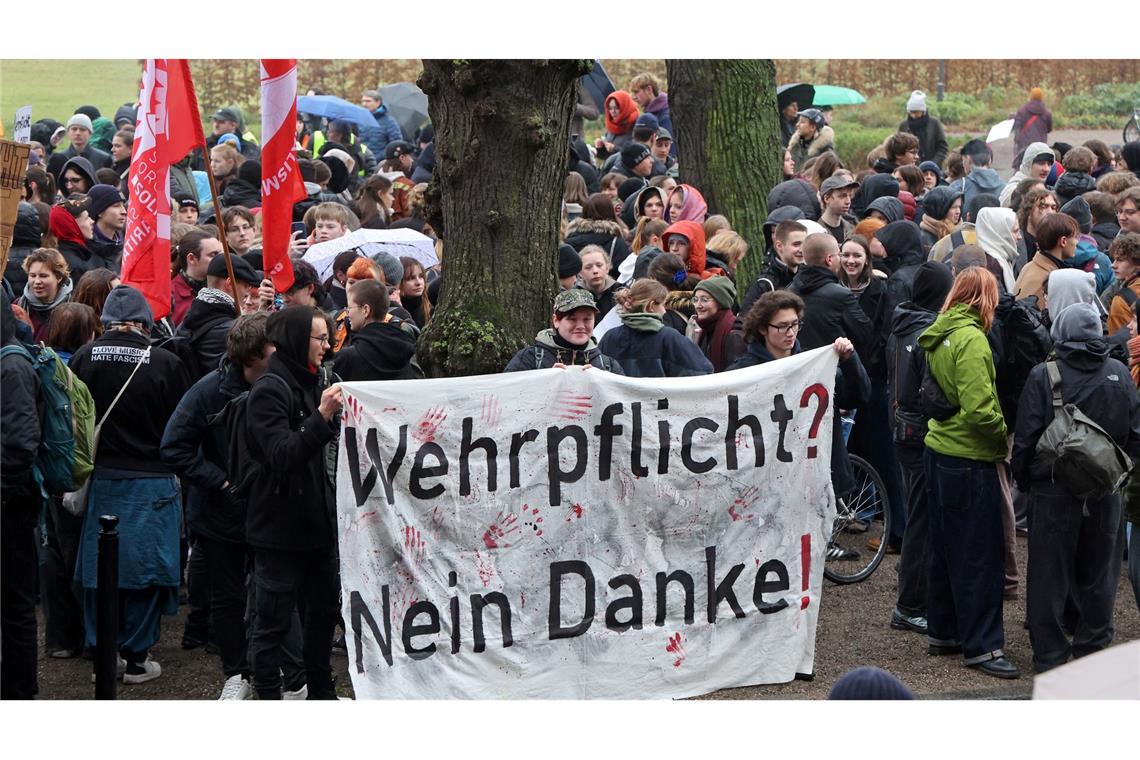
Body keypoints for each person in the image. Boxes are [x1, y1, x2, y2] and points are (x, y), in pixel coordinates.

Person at [69, 285, 193, 684]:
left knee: (97, 572)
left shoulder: (85, 357)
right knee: (148, 573)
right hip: (153, 479)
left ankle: (105, 655)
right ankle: (137, 658)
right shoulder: (165, 362)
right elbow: (181, 424)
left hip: (101, 478)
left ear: (105, 322)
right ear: (145, 322)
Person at [1012, 302, 1140, 672]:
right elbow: (1134, 436)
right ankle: (1093, 649)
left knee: (1048, 575)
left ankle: (1051, 656)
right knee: (1100, 573)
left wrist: (1026, 480)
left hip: (1053, 489)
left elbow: (1025, 438)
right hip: (1105, 489)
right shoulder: (1119, 371)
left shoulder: (1044, 374)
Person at [159, 312, 274, 700]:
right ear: (255, 354)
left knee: (274, 593)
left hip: (267, 511)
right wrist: (220, 481)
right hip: (221, 514)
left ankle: (276, 670)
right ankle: (236, 673)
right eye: (274, 346)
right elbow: (173, 446)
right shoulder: (207, 392)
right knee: (228, 597)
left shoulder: (280, 386)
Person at [917, 267, 1017, 679]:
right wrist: (1003, 433)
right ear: (985, 299)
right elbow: (979, 410)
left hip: (937, 448)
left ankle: (944, 631)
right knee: (978, 554)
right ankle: (983, 646)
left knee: (943, 546)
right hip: (969, 456)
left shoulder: (940, 330)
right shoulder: (973, 339)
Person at [237, 306, 341, 699]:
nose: (327, 346)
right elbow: (281, 455)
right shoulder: (270, 390)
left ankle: (321, 694)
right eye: (319, 338)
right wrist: (322, 417)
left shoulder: (313, 381)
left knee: (321, 619)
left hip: (316, 528)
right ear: (298, 340)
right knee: (272, 624)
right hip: (279, 532)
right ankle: (268, 697)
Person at [730, 290, 871, 526]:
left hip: (810, 476)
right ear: (763, 328)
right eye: (783, 326)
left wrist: (850, 361)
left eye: (795, 324)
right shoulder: (744, 372)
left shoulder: (814, 367)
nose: (791, 333)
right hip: (765, 479)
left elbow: (858, 396)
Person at [886, 261, 956, 635]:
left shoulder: (901, 323)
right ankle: (910, 604)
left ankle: (914, 596)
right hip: (918, 434)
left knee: (919, 516)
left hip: (901, 430)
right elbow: (928, 391)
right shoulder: (928, 331)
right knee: (921, 521)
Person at [1, 292, 43, 698]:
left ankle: (19, 693)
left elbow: (20, 443)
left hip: (11, 506)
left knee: (15, 606)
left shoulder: (12, 365)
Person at [598, 279, 712, 377]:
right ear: (651, 306)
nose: (664, 311)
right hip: (661, 402)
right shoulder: (670, 339)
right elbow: (702, 375)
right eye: (662, 305)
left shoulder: (609, 338)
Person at [176, 254, 261, 380]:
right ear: (229, 283)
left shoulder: (189, 319)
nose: (247, 293)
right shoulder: (231, 330)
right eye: (246, 286)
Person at [504, 289, 624, 373]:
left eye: (587, 319)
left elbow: (624, 402)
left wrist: (600, 383)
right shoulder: (529, 359)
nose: (581, 326)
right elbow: (508, 397)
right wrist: (545, 382)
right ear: (556, 321)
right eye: (572, 319)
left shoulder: (608, 365)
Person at [332, 280, 418, 382]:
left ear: (366, 310)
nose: (347, 313)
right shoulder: (406, 349)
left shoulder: (347, 358)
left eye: (349, 308)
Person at [741, 220, 808, 314]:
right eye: (796, 244)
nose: (801, 250)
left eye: (804, 244)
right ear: (779, 246)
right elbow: (744, 322)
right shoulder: (765, 285)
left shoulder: (807, 278)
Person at [1014, 213, 1079, 304]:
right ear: (1063, 241)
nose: (1077, 242)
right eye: (1075, 237)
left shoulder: (1029, 266)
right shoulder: (1049, 281)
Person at [565, 194, 633, 278]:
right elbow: (622, 273)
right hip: (608, 288)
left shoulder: (569, 239)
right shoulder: (616, 240)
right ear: (610, 212)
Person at [50, 196, 111, 287]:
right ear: (72, 225)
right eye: (86, 218)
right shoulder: (70, 265)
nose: (92, 221)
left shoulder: (86, 251)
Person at [688, 276, 743, 372]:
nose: (698, 306)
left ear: (720, 302)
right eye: (696, 300)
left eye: (704, 300)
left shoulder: (735, 334)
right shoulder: (706, 330)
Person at [18, 247, 73, 342]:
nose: (37, 281)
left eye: (43, 276)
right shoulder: (18, 306)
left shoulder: (72, 309)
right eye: (32, 275)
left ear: (59, 277)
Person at [171, 231, 224, 327]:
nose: (221, 259)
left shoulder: (226, 287)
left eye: (221, 253)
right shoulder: (170, 294)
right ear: (192, 259)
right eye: (213, 255)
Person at [46, 113, 112, 179]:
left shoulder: (104, 159)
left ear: (90, 133)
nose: (78, 133)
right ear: (68, 132)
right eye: (74, 129)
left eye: (82, 129)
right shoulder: (58, 159)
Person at [898, 90, 948, 166]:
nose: (914, 115)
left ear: (923, 111)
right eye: (911, 112)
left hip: (933, 168)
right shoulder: (904, 126)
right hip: (911, 169)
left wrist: (933, 164)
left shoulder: (934, 124)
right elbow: (899, 148)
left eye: (916, 112)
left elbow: (942, 147)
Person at [630, 73, 674, 155]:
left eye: (636, 92)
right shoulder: (651, 113)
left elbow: (669, 150)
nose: (634, 97)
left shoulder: (665, 116)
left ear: (649, 90)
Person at [1001, 143, 1055, 207]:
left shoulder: (1046, 187)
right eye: (1041, 163)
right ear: (1028, 164)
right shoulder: (1012, 189)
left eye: (1049, 164)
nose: (1047, 169)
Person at [1012, 88, 1053, 171]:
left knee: (1022, 167)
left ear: (1031, 96)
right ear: (1042, 97)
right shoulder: (1047, 113)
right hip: (1040, 144)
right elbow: (1049, 129)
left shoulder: (1022, 110)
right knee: (1038, 167)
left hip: (1024, 144)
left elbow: (1016, 126)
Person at [1107, 233, 1140, 334]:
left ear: (1137, 263)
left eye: (1120, 260)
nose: (1113, 265)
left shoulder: (1121, 301)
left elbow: (1119, 343)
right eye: (1114, 259)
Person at [86, 184, 126, 263]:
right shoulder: (85, 250)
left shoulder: (128, 242)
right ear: (99, 211)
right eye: (116, 206)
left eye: (123, 206)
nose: (124, 212)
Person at [595, 91, 639, 161]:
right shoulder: (611, 125)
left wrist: (615, 149)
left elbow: (637, 154)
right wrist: (600, 148)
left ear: (625, 107)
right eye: (610, 108)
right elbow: (606, 158)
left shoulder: (636, 126)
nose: (613, 111)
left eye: (617, 108)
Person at [787, 109, 834, 173]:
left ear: (812, 127)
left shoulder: (826, 151)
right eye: (798, 121)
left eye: (802, 122)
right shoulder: (794, 145)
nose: (797, 125)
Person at [918, 187, 964, 253]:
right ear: (940, 210)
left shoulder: (962, 232)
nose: (958, 211)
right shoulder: (925, 239)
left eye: (959, 207)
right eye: (953, 207)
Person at [818, 175, 858, 246]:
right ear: (827, 199)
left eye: (850, 196)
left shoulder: (852, 229)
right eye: (842, 196)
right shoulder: (817, 231)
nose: (848, 201)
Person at [398, 257, 432, 328]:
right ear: (399, 282)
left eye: (421, 276)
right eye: (411, 278)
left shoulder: (430, 307)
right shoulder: (395, 311)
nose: (418, 282)